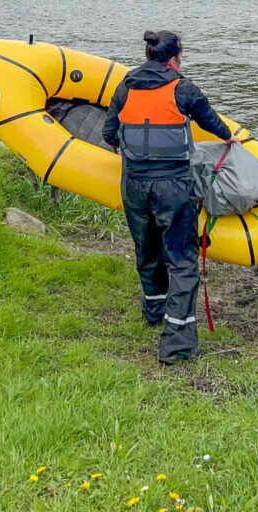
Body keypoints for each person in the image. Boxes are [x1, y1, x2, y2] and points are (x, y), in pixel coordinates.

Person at [102, 29, 240, 364]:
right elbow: (213, 124)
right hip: (173, 187)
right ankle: (177, 341)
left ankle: (154, 312)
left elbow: (109, 132)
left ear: (149, 55)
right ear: (175, 58)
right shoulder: (183, 89)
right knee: (181, 257)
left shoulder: (126, 85)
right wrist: (230, 138)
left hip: (134, 184)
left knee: (147, 248)